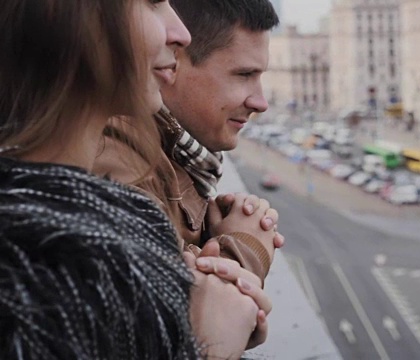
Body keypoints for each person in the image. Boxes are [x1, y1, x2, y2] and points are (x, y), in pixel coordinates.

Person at [0, 1, 264, 359]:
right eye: (153, 3)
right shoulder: (66, 254)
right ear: (69, 15)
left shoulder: (116, 219)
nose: (181, 34)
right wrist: (210, 345)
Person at [92, 0, 283, 352]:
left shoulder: (167, 154)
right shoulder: (122, 173)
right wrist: (246, 250)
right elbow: (174, 338)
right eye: (244, 75)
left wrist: (215, 240)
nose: (260, 101)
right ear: (171, 62)